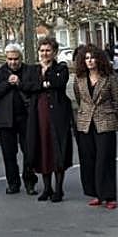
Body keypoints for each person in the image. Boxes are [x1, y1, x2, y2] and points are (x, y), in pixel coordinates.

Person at [22, 37, 73, 203]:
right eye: (42, 51)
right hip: (39, 115)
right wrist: (44, 82)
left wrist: (46, 76)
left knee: (57, 150)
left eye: (48, 50)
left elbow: (59, 82)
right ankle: (47, 188)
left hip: (58, 115)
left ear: (55, 52)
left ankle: (59, 188)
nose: (44, 54)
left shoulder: (61, 68)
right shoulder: (32, 70)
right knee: (42, 149)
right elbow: (26, 86)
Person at [73, 45, 118, 210]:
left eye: (92, 58)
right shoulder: (79, 78)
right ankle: (95, 193)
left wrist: (113, 116)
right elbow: (79, 98)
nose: (89, 61)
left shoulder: (109, 77)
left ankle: (109, 195)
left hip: (105, 122)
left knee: (105, 159)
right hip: (86, 123)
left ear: (99, 59)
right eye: (86, 58)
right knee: (88, 159)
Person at [0, 43, 37, 195]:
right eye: (10, 59)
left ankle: (30, 182)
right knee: (9, 154)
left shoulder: (30, 71)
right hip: (5, 120)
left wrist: (20, 83)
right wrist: (7, 84)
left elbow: (35, 88)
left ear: (21, 58)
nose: (13, 62)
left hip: (26, 118)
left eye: (16, 59)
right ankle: (13, 183)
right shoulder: (0, 73)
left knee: (29, 152)